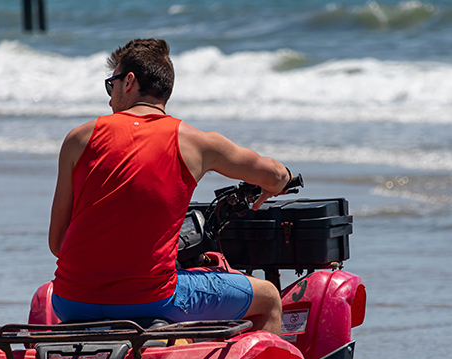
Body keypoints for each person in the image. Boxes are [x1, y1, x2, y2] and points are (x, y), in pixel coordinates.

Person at [48, 39, 290, 335]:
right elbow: (274, 174)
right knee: (269, 298)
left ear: (129, 83)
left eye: (110, 86)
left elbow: (57, 243)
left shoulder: (79, 139)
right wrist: (281, 181)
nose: (110, 99)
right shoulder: (196, 143)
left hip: (69, 301)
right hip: (152, 301)